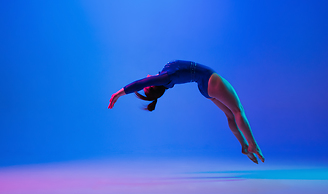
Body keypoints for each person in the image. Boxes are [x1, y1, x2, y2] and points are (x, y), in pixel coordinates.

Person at [108, 60, 264, 164]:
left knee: (230, 114)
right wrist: (118, 94)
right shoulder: (164, 77)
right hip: (209, 80)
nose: (145, 84)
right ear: (154, 85)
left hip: (204, 87)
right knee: (238, 110)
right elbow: (140, 83)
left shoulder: (164, 76)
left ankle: (244, 145)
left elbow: (143, 83)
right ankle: (252, 144)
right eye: (148, 86)